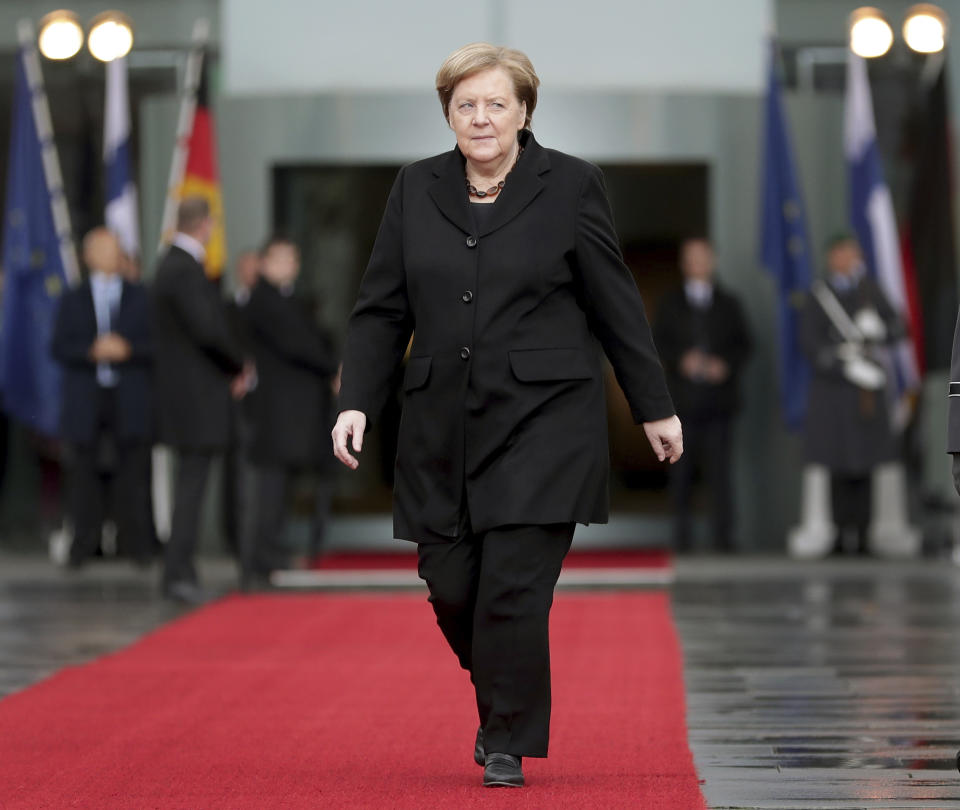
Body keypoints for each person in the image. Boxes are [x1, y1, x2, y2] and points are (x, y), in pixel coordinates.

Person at [331, 43, 682, 789]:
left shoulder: (572, 185)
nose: (480, 117)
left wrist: (652, 406)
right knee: (452, 584)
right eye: (465, 105)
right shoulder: (415, 186)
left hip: (544, 421)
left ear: (525, 111)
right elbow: (380, 308)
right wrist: (356, 399)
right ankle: (506, 698)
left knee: (513, 590)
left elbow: (615, 304)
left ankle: (506, 741)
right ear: (448, 114)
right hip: (439, 426)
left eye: (496, 103)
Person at [152, 197, 248, 603]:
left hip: (186, 399)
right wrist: (237, 366)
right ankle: (177, 573)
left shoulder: (171, 266)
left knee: (189, 489)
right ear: (205, 225)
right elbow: (207, 330)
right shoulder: (184, 269)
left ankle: (181, 569)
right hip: (195, 400)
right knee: (191, 491)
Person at [51, 227, 154, 567]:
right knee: (82, 476)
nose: (110, 255)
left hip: (129, 397)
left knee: (134, 476)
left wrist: (127, 349)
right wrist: (90, 351)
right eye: (102, 249)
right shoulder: (72, 297)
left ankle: (137, 547)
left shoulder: (141, 295)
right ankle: (82, 546)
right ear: (88, 256)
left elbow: (157, 345)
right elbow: (58, 346)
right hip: (87, 397)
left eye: (114, 249)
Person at [799, 234, 903, 554]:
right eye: (846, 253)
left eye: (855, 253)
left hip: (865, 394)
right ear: (833, 257)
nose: (852, 259)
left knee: (866, 465)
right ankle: (841, 535)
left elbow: (899, 326)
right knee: (837, 466)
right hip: (834, 393)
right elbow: (810, 343)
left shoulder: (869, 290)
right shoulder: (820, 295)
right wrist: (841, 364)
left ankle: (864, 534)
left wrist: (881, 330)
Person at [243, 236, 337, 589]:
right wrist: (332, 368)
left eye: (292, 259)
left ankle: (273, 552)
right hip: (276, 411)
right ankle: (263, 555)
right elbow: (298, 344)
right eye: (280, 259)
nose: (287, 266)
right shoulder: (264, 301)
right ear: (264, 263)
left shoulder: (290, 300)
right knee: (271, 487)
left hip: (294, 412)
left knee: (282, 487)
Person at [653, 237, 751, 552]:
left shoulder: (729, 302)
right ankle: (681, 539)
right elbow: (657, 344)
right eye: (691, 258)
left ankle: (724, 539)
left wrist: (725, 366)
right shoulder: (669, 303)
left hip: (720, 402)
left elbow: (745, 344)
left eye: (703, 257)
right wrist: (682, 360)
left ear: (713, 261)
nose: (698, 263)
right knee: (680, 474)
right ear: (684, 264)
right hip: (680, 405)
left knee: (721, 473)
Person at [222, 249, 260, 561]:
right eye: (244, 267)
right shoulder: (225, 309)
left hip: (267, 402)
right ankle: (235, 540)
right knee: (235, 476)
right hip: (235, 402)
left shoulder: (272, 306)